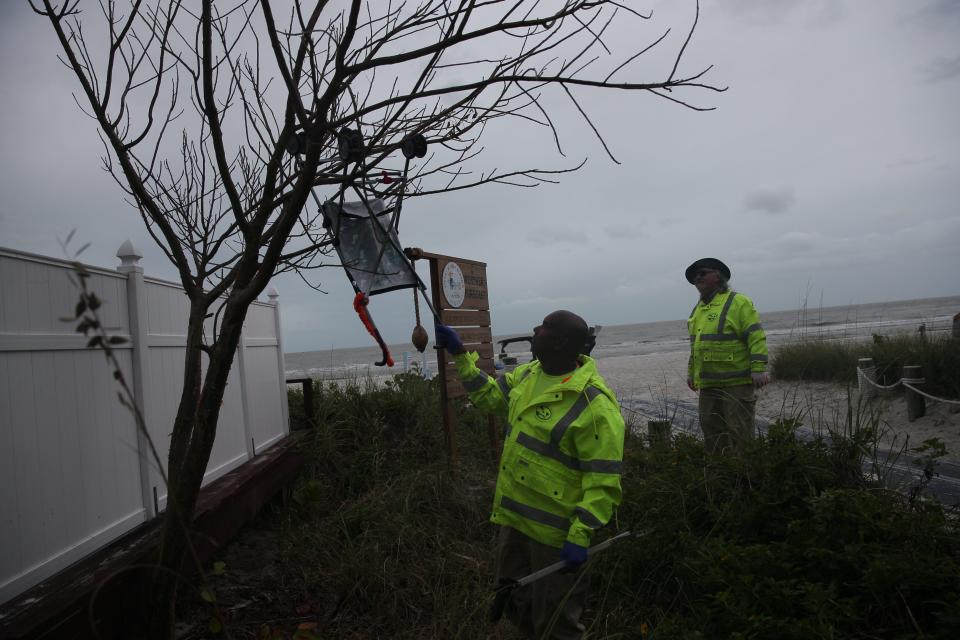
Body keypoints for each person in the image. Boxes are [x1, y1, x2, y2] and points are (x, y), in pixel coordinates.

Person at [435, 310, 625, 640]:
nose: (536, 329)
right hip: (514, 521)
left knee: (556, 622)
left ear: (562, 342)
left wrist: (580, 536)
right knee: (512, 601)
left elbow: (604, 482)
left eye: (546, 326)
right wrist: (460, 355)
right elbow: (490, 397)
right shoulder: (528, 375)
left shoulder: (594, 404)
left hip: (556, 537)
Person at [685, 258, 770, 454]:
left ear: (718, 276)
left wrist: (759, 368)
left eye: (703, 272)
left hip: (737, 383)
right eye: (695, 276)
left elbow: (756, 336)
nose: (698, 277)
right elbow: (696, 346)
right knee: (712, 432)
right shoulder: (698, 310)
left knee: (740, 433)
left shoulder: (738, 302)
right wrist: (691, 374)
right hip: (708, 385)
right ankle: (719, 476)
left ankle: (745, 477)